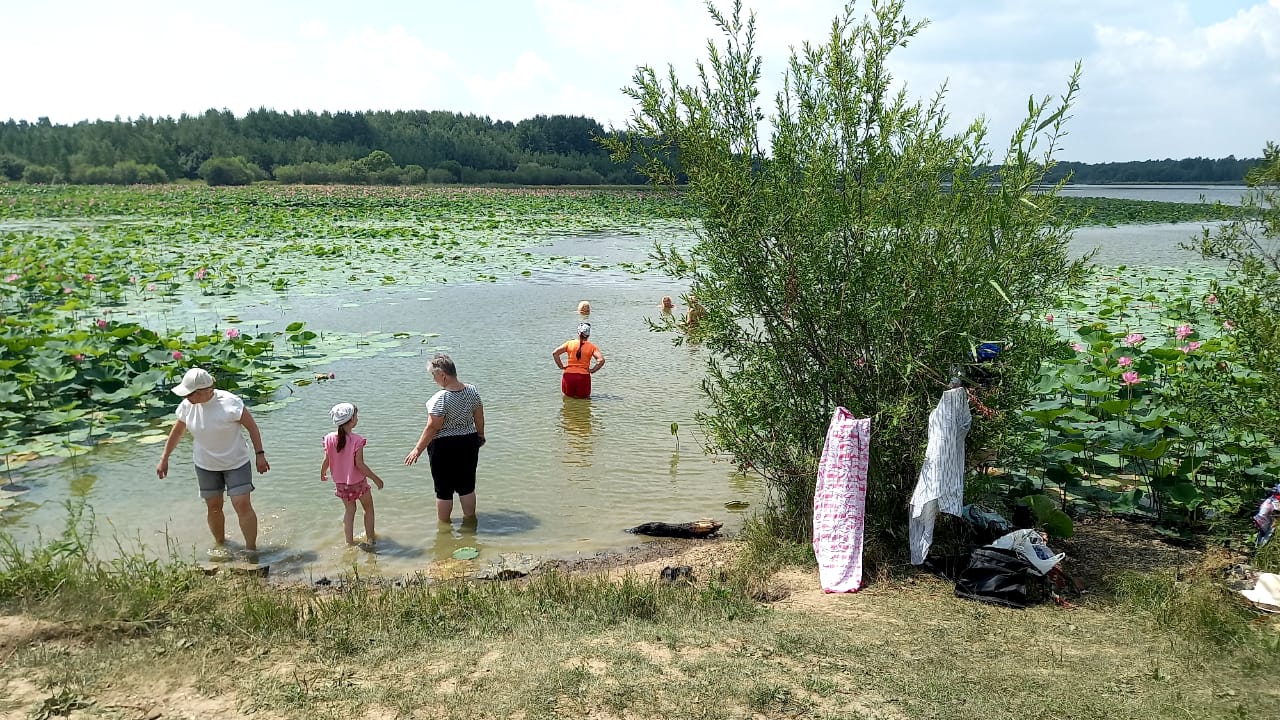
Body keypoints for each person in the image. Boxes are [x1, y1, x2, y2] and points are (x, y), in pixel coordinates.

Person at [156, 367, 269, 554]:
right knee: (214, 507)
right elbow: (177, 432)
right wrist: (164, 458)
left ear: (205, 391)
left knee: (242, 504)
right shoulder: (187, 406)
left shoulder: (230, 402)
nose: (186, 397)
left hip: (236, 462)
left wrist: (260, 455)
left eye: (190, 394)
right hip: (205, 465)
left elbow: (252, 428)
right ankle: (221, 545)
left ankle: (251, 550)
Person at [404, 354, 485, 523]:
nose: (433, 379)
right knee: (467, 486)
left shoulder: (440, 398)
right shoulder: (472, 391)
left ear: (443, 375)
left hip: (444, 446)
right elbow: (479, 416)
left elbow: (433, 427)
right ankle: (470, 521)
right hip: (468, 441)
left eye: (433, 375)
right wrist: (480, 434)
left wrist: (417, 449)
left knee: (443, 490)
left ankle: (444, 527)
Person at [321, 403, 385, 546]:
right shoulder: (357, 440)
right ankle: (370, 540)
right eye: (356, 416)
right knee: (368, 509)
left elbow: (327, 459)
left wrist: (323, 472)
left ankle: (349, 543)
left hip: (341, 484)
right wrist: (376, 479)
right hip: (358, 483)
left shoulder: (329, 438)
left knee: (349, 511)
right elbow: (360, 464)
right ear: (351, 420)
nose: (357, 418)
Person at [553, 322, 605, 399]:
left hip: (568, 376)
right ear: (588, 335)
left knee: (568, 400)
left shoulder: (569, 343)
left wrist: (561, 366)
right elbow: (601, 360)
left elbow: (555, 353)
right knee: (583, 401)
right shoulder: (591, 347)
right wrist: (593, 370)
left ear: (578, 333)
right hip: (583, 377)